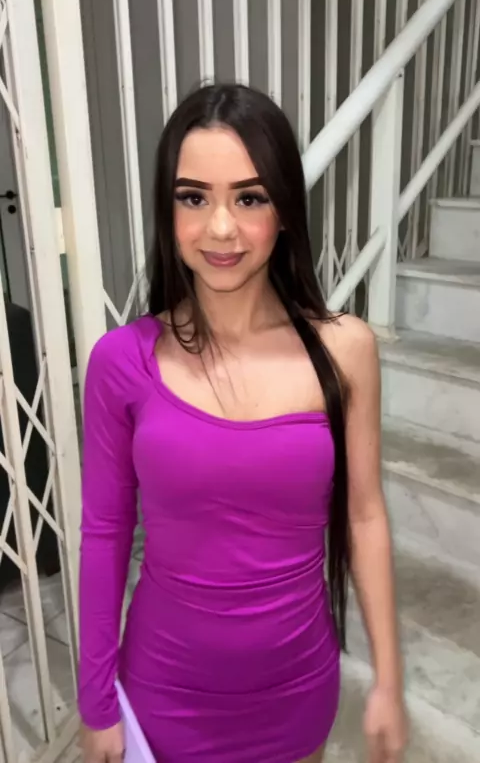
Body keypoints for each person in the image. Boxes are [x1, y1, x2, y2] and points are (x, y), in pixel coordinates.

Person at [79, 83, 407, 763]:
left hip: (296, 689)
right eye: (193, 197)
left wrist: (388, 677)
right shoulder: (122, 361)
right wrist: (95, 699)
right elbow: (104, 534)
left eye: (250, 198)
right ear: (167, 210)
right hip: (166, 690)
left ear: (285, 210)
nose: (221, 228)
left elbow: (365, 515)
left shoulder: (345, 350)